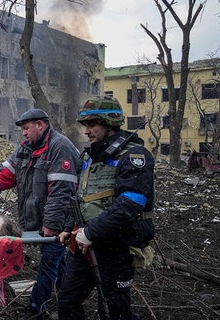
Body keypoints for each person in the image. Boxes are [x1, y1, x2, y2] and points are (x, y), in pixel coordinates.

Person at [0, 108, 80, 319]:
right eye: (22, 129)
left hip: (58, 221)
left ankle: (36, 308)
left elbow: (61, 192)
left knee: (49, 263)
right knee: (58, 261)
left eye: (26, 128)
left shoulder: (60, 147)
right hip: (38, 219)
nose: (23, 133)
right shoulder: (25, 148)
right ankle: (68, 298)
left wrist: (52, 225)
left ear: (40, 125)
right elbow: (5, 173)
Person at [57, 96, 155, 320]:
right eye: (85, 125)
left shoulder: (134, 156)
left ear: (110, 123)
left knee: (113, 310)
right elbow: (82, 197)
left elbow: (130, 205)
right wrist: (67, 227)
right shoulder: (90, 157)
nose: (87, 131)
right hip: (82, 242)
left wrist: (91, 233)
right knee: (67, 300)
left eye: (92, 125)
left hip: (116, 245)